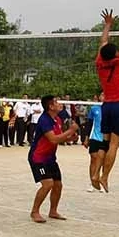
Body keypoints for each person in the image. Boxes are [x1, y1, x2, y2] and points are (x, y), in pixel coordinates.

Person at [95, 3, 119, 193]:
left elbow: (103, 42)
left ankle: (95, 173)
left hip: (106, 105)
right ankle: (104, 177)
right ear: (115, 53)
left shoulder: (100, 63)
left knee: (104, 141)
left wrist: (107, 24)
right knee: (114, 144)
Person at [28, 95, 80, 223]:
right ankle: (34, 212)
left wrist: (70, 138)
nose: (59, 103)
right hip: (38, 158)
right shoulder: (45, 120)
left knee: (58, 185)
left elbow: (59, 138)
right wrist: (71, 130)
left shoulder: (56, 119)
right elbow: (54, 139)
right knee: (48, 184)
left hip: (50, 158)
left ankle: (53, 211)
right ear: (50, 106)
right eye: (56, 102)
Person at [84, 95, 107, 192]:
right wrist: (86, 138)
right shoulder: (94, 108)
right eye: (102, 94)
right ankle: (92, 182)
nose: (104, 96)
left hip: (105, 138)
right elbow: (89, 123)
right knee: (93, 159)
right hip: (95, 137)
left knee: (101, 160)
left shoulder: (110, 109)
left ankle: (100, 180)